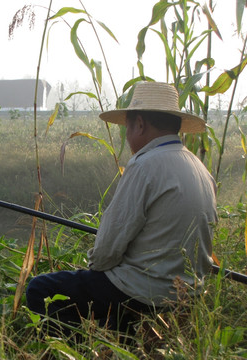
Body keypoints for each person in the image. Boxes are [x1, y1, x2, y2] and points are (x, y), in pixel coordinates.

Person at [26, 81, 218, 337]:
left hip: (146, 293)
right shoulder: (200, 168)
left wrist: (94, 268)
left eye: (127, 127)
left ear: (139, 124)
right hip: (189, 291)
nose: (127, 136)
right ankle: (119, 344)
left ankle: (74, 350)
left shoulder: (144, 165)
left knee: (40, 289)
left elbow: (107, 250)